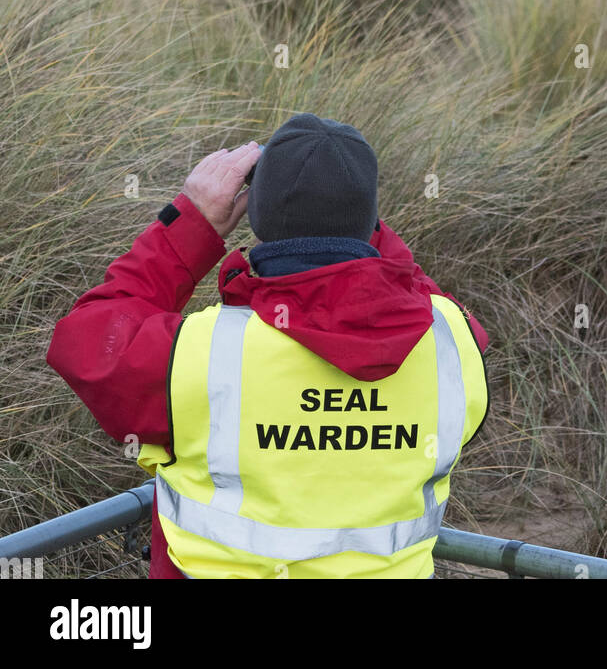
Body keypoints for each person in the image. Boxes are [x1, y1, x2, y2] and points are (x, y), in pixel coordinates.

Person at [47, 113, 490, 579]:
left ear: (258, 215)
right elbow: (404, 285)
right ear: (367, 217)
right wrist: (342, 212)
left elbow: (90, 337)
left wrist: (190, 224)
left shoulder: (200, 354)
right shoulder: (453, 341)